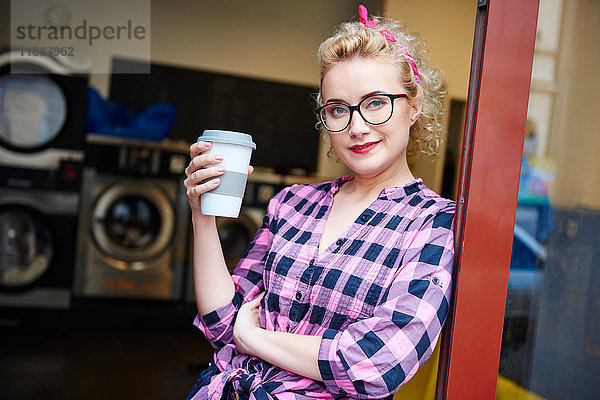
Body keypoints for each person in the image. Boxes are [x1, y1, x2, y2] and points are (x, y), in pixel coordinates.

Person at [183, 5, 455, 400]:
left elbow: (375, 364)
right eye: (338, 109)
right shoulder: (293, 203)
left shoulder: (434, 224)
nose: (357, 127)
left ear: (413, 106)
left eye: (376, 102)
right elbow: (223, 323)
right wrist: (201, 215)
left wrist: (252, 338)